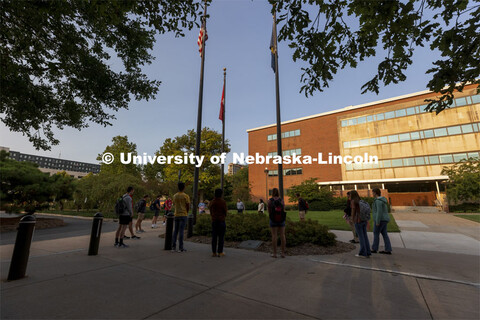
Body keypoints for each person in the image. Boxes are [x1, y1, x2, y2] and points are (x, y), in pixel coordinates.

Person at [350, 190, 371, 258]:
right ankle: (368, 252)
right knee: (365, 237)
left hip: (358, 221)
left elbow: (353, 211)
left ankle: (363, 253)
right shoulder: (360, 200)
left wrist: (352, 219)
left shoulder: (353, 201)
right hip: (364, 220)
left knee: (361, 237)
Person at [371, 188, 392, 254]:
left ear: (375, 193)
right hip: (385, 219)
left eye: (373, 192)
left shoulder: (378, 201)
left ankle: (374, 248)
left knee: (376, 233)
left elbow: (379, 212)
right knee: (385, 234)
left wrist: (377, 221)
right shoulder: (383, 200)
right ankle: (388, 249)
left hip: (380, 220)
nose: (372, 193)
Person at [267, 188, 286, 258]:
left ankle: (274, 253)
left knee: (274, 236)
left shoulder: (270, 201)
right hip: (281, 219)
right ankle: (283, 253)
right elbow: (283, 209)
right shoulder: (281, 200)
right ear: (278, 193)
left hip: (273, 220)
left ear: (272, 193)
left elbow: (269, 211)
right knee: (282, 235)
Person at [209, 188, 227, 257]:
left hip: (214, 221)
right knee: (221, 237)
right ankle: (220, 252)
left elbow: (210, 210)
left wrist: (213, 216)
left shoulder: (212, 202)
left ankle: (214, 252)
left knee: (214, 237)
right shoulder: (223, 202)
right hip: (221, 221)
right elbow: (225, 211)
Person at [172, 182, 190, 252]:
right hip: (183, 214)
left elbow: (175, 204)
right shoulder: (186, 196)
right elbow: (188, 205)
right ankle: (181, 247)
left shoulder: (175, 196)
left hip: (176, 214)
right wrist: (186, 212)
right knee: (181, 231)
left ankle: (173, 247)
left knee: (175, 231)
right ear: (184, 187)